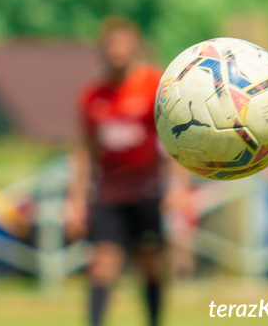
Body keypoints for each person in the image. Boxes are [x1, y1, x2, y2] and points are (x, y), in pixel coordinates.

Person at [65, 17, 183, 326]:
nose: (117, 52)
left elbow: (176, 138)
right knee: (102, 265)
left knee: (150, 265)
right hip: (109, 192)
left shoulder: (155, 87)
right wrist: (75, 199)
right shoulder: (94, 95)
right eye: (111, 46)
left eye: (123, 45)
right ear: (102, 51)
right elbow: (84, 150)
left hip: (147, 190)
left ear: (135, 47)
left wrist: (177, 186)